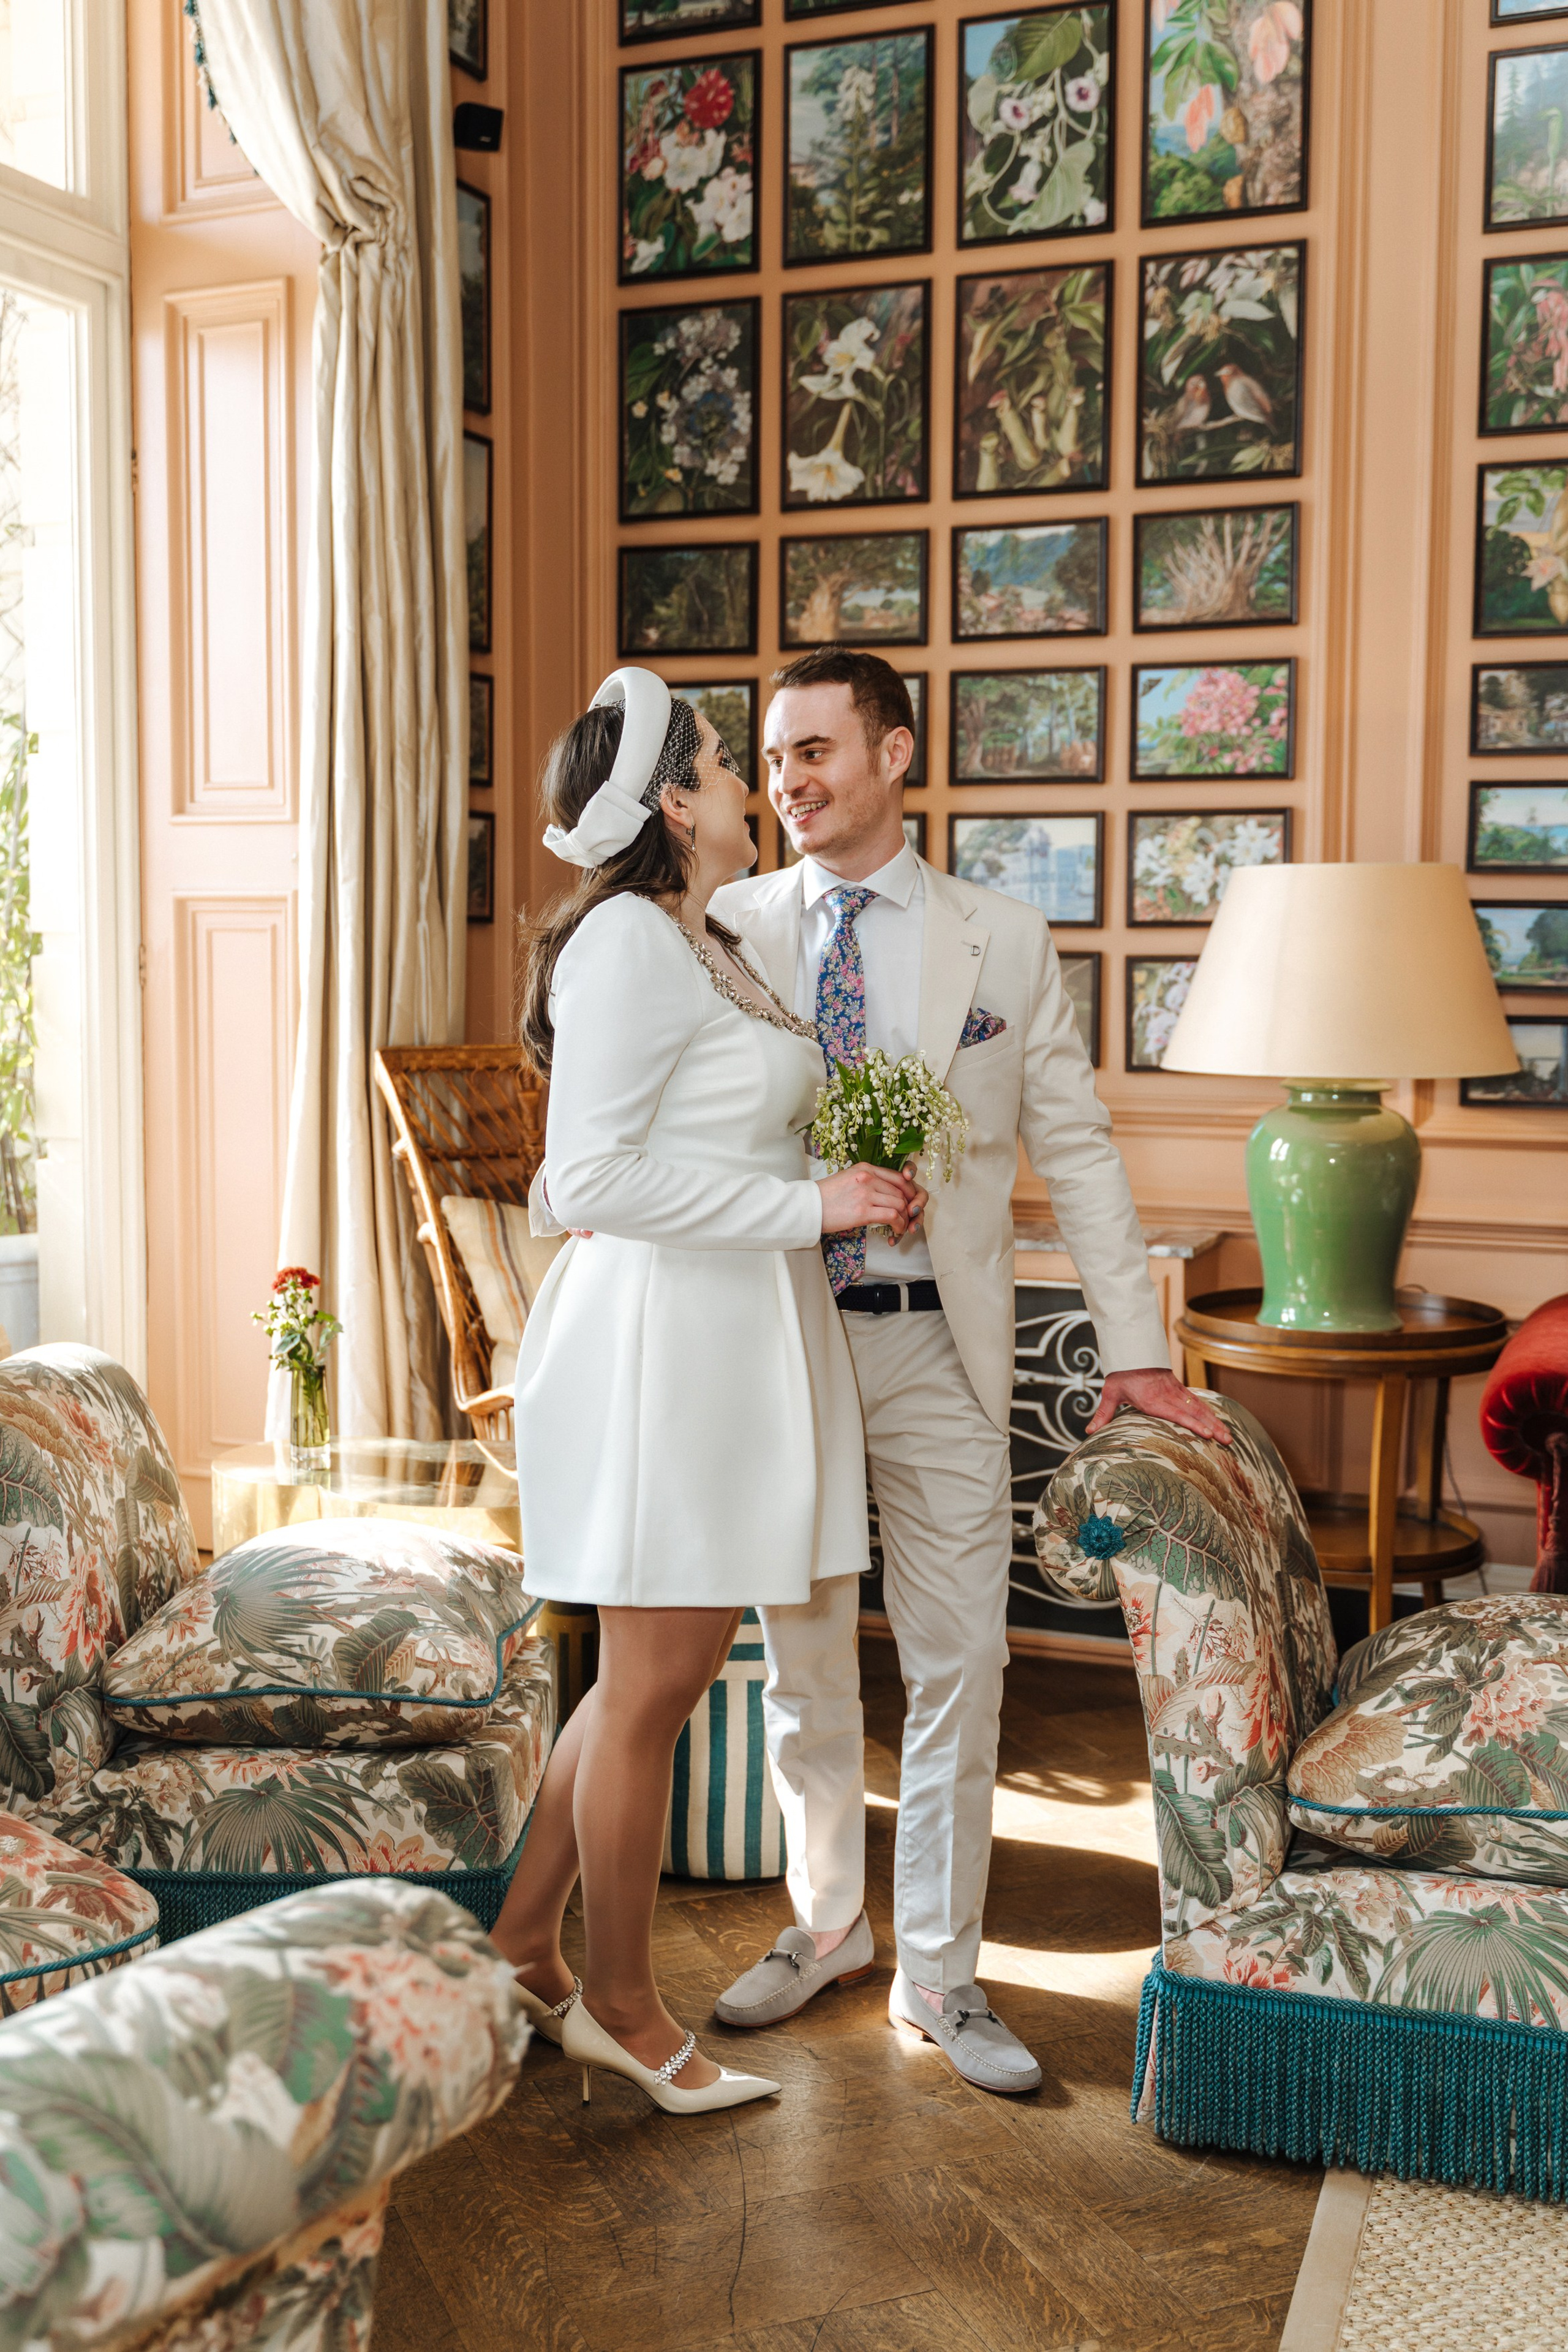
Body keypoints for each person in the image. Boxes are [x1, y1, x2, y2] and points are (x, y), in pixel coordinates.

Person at [707, 647, 1229, 2097]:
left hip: (941, 1342)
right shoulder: (728, 925)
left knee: (962, 1662)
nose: (788, 780)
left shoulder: (1000, 938)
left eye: (814, 749)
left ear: (894, 753)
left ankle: (938, 1973)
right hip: (787, 1338)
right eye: (772, 756)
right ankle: (826, 1927)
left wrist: (1136, 1349)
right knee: (804, 1660)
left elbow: (1074, 1146)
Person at [488, 666, 924, 2118]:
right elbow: (584, 1180)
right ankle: (621, 2009)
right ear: (675, 801)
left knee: (641, 1684)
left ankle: (520, 1947)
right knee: (651, 1692)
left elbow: (698, 1139)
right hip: (659, 1355)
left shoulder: (707, 938)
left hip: (727, 1341)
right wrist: (813, 1207)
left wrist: (837, 1180)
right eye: (727, 760)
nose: (750, 780)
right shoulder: (626, 938)